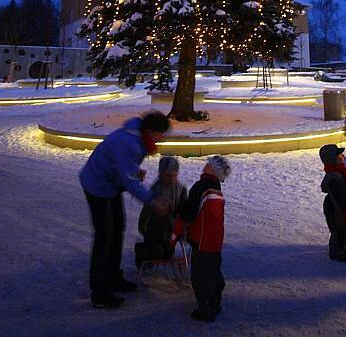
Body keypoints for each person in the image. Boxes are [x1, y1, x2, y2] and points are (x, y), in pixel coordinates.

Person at [79, 110, 170, 309]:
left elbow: (121, 166)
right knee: (105, 236)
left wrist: (134, 170)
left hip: (110, 184)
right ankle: (100, 291)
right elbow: (129, 182)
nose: (162, 138)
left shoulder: (137, 137)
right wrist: (153, 201)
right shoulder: (128, 143)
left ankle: (113, 277)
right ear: (151, 131)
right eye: (161, 134)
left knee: (117, 229)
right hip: (98, 186)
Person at [172, 155, 232, 323]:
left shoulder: (202, 186)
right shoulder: (216, 189)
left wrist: (175, 232)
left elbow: (188, 212)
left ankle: (206, 311)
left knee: (200, 277)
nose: (205, 165)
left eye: (208, 164)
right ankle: (215, 302)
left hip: (202, 240)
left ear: (212, 169)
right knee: (213, 272)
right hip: (215, 240)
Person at [135, 155, 187, 266]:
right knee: (158, 252)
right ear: (161, 174)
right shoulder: (156, 190)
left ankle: (161, 248)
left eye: (174, 176)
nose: (172, 179)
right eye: (168, 176)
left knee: (166, 252)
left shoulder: (181, 189)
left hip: (171, 229)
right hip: (154, 229)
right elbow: (148, 215)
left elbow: (183, 211)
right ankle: (142, 250)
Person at [319, 144, 346, 262]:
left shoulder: (341, 172)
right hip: (334, 208)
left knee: (344, 228)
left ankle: (340, 248)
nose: (342, 156)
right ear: (332, 159)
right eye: (339, 155)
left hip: (341, 206)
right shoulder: (334, 177)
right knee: (337, 229)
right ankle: (335, 251)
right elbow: (338, 198)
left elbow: (344, 195)